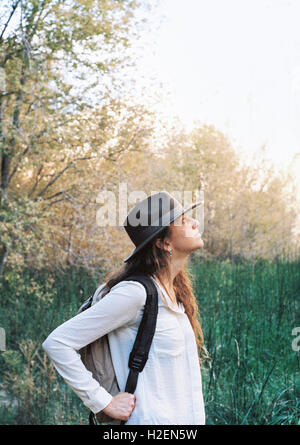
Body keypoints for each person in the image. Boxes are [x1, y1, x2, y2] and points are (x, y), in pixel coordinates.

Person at [42, 191, 208, 425]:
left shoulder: (175, 293)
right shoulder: (135, 293)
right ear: (163, 242)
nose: (195, 222)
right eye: (183, 220)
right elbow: (57, 343)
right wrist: (103, 401)